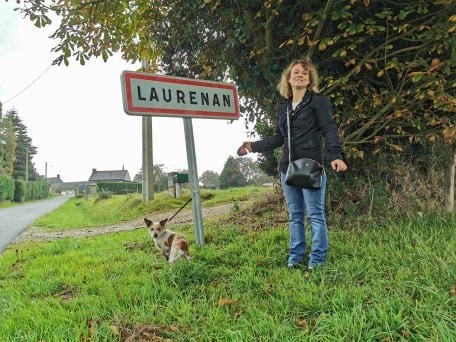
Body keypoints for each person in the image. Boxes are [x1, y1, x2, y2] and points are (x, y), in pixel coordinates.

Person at [237, 57, 347, 270]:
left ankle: (317, 260)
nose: (300, 75)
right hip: (287, 167)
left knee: (315, 214)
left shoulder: (318, 102)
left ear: (309, 80)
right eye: (296, 72)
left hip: (310, 164)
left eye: (304, 73)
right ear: (288, 78)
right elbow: (279, 138)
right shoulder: (283, 108)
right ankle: (295, 257)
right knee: (295, 215)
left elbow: (329, 129)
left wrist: (336, 155)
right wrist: (253, 146)